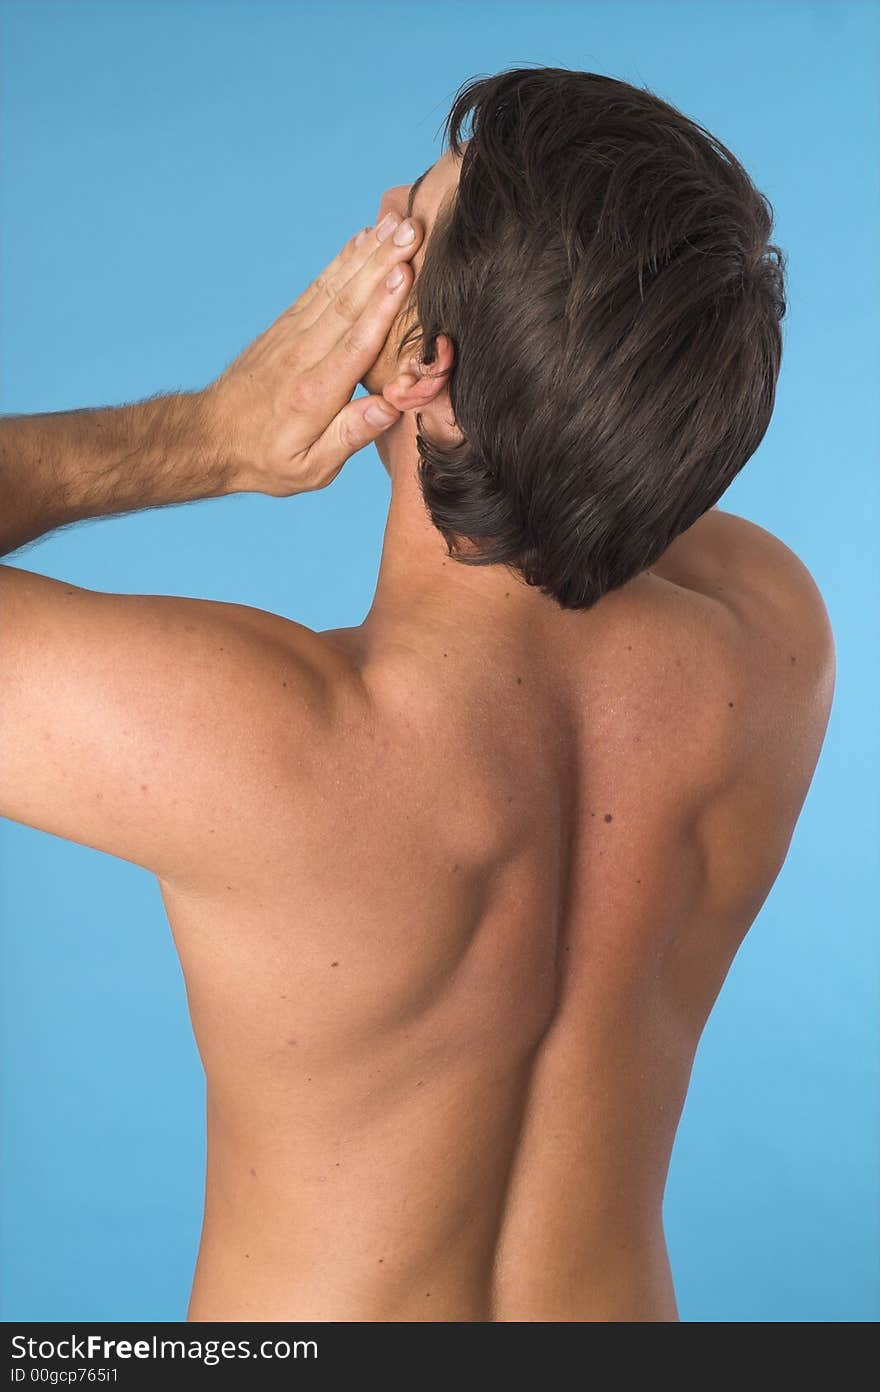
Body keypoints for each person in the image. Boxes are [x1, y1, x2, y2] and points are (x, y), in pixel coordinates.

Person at [0, 67, 835, 1322]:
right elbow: (626, 471)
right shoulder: (773, 643)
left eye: (413, 222)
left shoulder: (261, 741)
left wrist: (206, 435)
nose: (385, 206)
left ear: (420, 369)